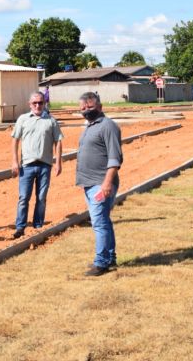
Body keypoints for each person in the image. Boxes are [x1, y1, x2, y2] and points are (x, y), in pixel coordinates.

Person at [76, 91, 123, 277]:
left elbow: (115, 158)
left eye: (90, 107)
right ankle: (109, 257)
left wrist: (107, 184)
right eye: (83, 108)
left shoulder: (108, 126)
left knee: (99, 224)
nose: (86, 111)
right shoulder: (90, 126)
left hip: (101, 183)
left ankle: (101, 262)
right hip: (89, 183)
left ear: (100, 107)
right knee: (104, 221)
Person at [11, 91, 63, 239]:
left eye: (40, 103)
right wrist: (14, 161)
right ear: (30, 104)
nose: (37, 105)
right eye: (35, 103)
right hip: (26, 166)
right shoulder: (23, 119)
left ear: (44, 103)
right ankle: (20, 227)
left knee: (41, 198)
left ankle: (38, 226)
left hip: (45, 165)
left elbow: (58, 141)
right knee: (23, 198)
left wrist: (58, 162)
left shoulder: (51, 121)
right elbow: (15, 140)